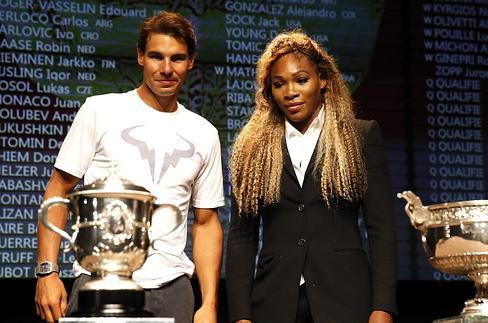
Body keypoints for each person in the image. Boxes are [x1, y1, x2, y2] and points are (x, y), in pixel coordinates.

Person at [34, 12, 224, 323]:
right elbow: (59, 189)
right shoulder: (100, 110)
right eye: (156, 56)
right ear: (140, 56)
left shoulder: (204, 132)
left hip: (173, 291)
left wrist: (210, 304)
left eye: (177, 58)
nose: (166, 69)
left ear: (190, 62)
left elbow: (205, 223)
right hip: (100, 281)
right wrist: (46, 272)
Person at [225, 30, 398, 323]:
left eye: (301, 80)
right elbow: (242, 237)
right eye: (279, 84)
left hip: (347, 300)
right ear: (270, 91)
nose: (290, 92)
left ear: (323, 80)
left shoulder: (359, 137)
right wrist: (240, 316)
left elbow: (381, 228)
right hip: (273, 304)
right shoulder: (252, 148)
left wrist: (383, 307)